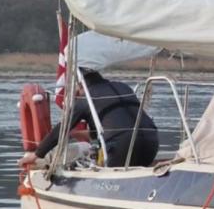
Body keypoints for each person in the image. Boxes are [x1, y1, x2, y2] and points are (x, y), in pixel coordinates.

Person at [19, 69, 159, 169]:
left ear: (80, 85)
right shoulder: (123, 87)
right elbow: (110, 125)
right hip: (151, 144)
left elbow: (62, 128)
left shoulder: (85, 98)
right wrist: (74, 134)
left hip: (121, 150)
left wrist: (37, 154)